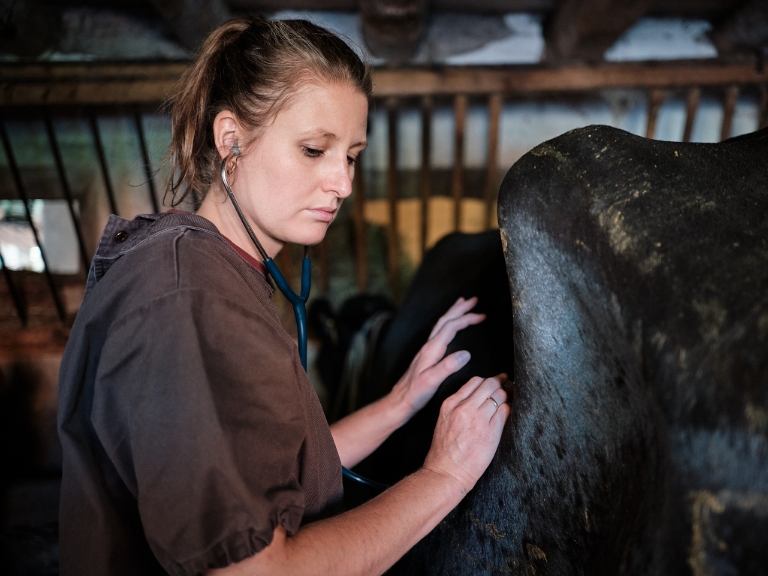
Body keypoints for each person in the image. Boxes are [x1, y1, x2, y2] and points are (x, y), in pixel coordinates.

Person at [57, 15, 510, 576]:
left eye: (351, 155)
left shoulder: (215, 270)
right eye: (314, 150)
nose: (343, 184)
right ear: (232, 140)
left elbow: (279, 473)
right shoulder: (187, 299)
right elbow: (256, 571)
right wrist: (446, 475)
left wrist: (401, 401)